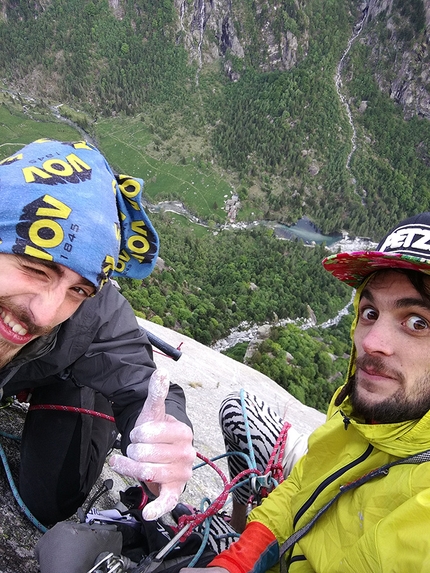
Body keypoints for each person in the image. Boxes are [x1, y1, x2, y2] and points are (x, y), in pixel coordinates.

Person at [182, 211, 430, 572]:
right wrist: (236, 561)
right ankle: (237, 523)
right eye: (371, 312)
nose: (372, 343)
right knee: (239, 411)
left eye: (417, 322)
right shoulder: (360, 413)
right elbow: (303, 484)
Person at [0, 138, 195, 526]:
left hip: (63, 373)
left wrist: (163, 441)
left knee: (50, 501)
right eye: (36, 269)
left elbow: (144, 385)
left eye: (78, 289)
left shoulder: (93, 315)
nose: (45, 313)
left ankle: (74, 379)